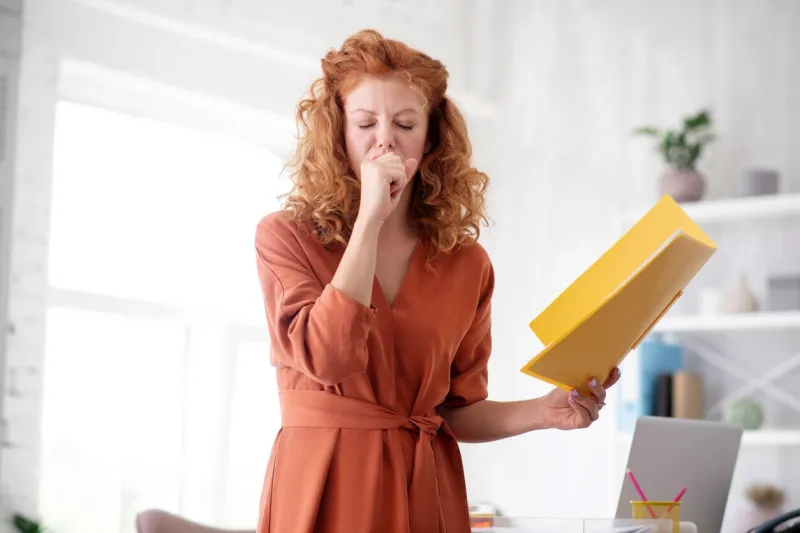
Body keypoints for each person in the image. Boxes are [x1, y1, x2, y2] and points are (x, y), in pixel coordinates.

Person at [254, 29, 620, 533]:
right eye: (365, 123)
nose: (385, 138)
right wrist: (370, 220)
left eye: (405, 123)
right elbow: (329, 358)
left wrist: (543, 411)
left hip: (424, 487)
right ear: (339, 134)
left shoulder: (466, 264)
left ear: (429, 140)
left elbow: (455, 410)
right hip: (325, 483)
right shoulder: (286, 237)